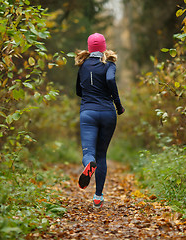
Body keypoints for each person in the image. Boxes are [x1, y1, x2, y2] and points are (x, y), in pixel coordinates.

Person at [75, 33, 125, 208]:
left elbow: (78, 91)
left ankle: (89, 164)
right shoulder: (109, 64)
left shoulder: (82, 66)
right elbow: (110, 79)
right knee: (102, 155)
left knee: (89, 152)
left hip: (88, 113)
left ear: (89, 48)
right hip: (107, 113)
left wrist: (90, 91)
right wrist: (118, 105)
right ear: (104, 47)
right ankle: (98, 197)